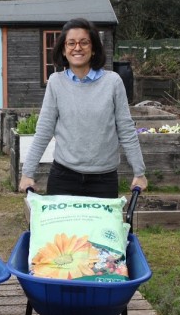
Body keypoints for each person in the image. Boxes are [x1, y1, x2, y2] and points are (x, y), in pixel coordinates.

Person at [18, 17, 148, 198]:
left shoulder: (112, 82)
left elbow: (126, 130)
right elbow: (44, 131)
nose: (77, 47)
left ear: (93, 48)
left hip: (103, 180)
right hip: (64, 177)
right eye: (71, 43)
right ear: (64, 50)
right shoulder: (56, 82)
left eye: (84, 42)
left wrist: (139, 173)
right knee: (62, 228)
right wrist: (27, 173)